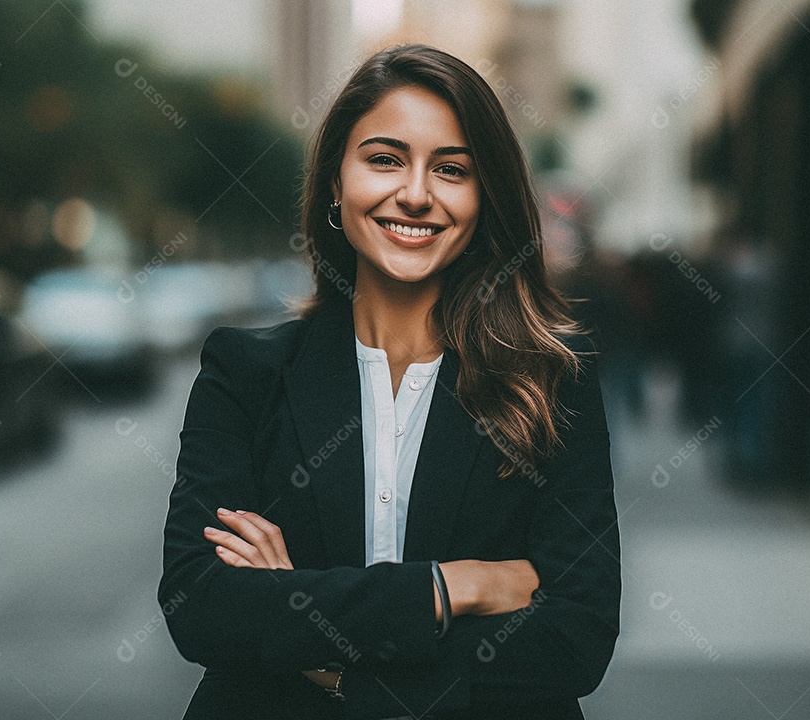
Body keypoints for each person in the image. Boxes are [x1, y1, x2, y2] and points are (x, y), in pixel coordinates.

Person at [158, 43, 620, 720]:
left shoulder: (551, 380)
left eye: (452, 169)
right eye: (384, 159)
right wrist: (451, 587)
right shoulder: (245, 374)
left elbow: (573, 640)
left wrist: (312, 639)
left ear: (483, 196)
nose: (415, 193)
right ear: (336, 186)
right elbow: (201, 608)